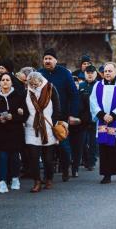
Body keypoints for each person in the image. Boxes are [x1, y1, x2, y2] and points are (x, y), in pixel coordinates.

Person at [38, 48, 79, 182]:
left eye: (50, 58)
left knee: (64, 147)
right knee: (46, 148)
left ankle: (65, 168)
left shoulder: (64, 74)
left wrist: (72, 115)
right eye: (45, 59)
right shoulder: (39, 74)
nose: (47, 61)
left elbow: (74, 95)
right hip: (44, 117)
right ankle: (47, 175)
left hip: (61, 117)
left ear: (56, 60)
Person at [90, 62, 116, 184]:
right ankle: (106, 174)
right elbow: (93, 102)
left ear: (115, 72)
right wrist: (102, 115)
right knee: (105, 149)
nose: (107, 73)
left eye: (110, 71)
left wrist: (113, 115)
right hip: (103, 122)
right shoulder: (97, 85)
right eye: (105, 71)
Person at [25, 72, 62, 192]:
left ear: (41, 81)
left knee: (48, 158)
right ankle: (37, 181)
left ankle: (49, 178)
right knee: (33, 157)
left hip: (48, 128)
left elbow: (57, 108)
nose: (34, 86)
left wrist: (54, 123)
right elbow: (24, 108)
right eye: (32, 84)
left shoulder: (50, 88)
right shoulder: (26, 91)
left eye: (36, 84)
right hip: (32, 128)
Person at [0, 73, 28, 193]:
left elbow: (25, 114)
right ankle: (2, 183)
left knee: (14, 157)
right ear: (0, 82)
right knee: (1, 157)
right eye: (3, 80)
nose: (5, 82)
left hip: (15, 131)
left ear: (11, 82)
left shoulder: (18, 95)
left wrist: (13, 117)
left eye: (8, 80)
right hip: (1, 131)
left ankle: (15, 179)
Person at [78, 65, 98, 172]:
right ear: (85, 74)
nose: (90, 75)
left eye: (92, 73)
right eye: (88, 73)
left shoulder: (99, 86)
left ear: (95, 74)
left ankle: (91, 161)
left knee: (93, 141)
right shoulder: (81, 85)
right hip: (83, 119)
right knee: (83, 141)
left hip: (95, 118)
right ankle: (85, 160)